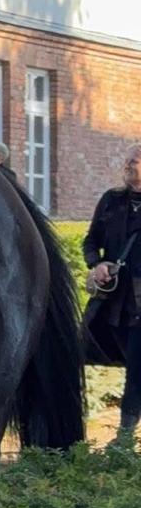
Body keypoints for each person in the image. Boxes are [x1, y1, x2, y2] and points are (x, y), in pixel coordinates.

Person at [83, 145, 141, 436]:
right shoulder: (111, 200)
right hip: (111, 301)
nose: (128, 165)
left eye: (135, 160)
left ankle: (124, 439)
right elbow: (91, 241)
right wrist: (97, 264)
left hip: (139, 306)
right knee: (77, 351)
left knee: (136, 368)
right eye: (127, 160)